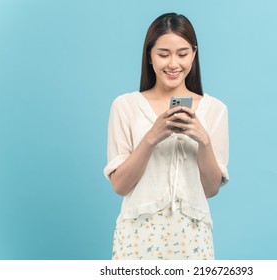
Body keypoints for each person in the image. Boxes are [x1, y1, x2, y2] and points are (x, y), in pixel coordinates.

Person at [103, 12, 229, 260]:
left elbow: (211, 188)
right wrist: (152, 137)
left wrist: (203, 140)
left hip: (193, 236)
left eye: (182, 54)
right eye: (163, 54)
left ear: (194, 53)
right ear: (149, 56)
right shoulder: (125, 105)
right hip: (136, 236)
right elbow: (120, 185)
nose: (173, 64)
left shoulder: (216, 110)